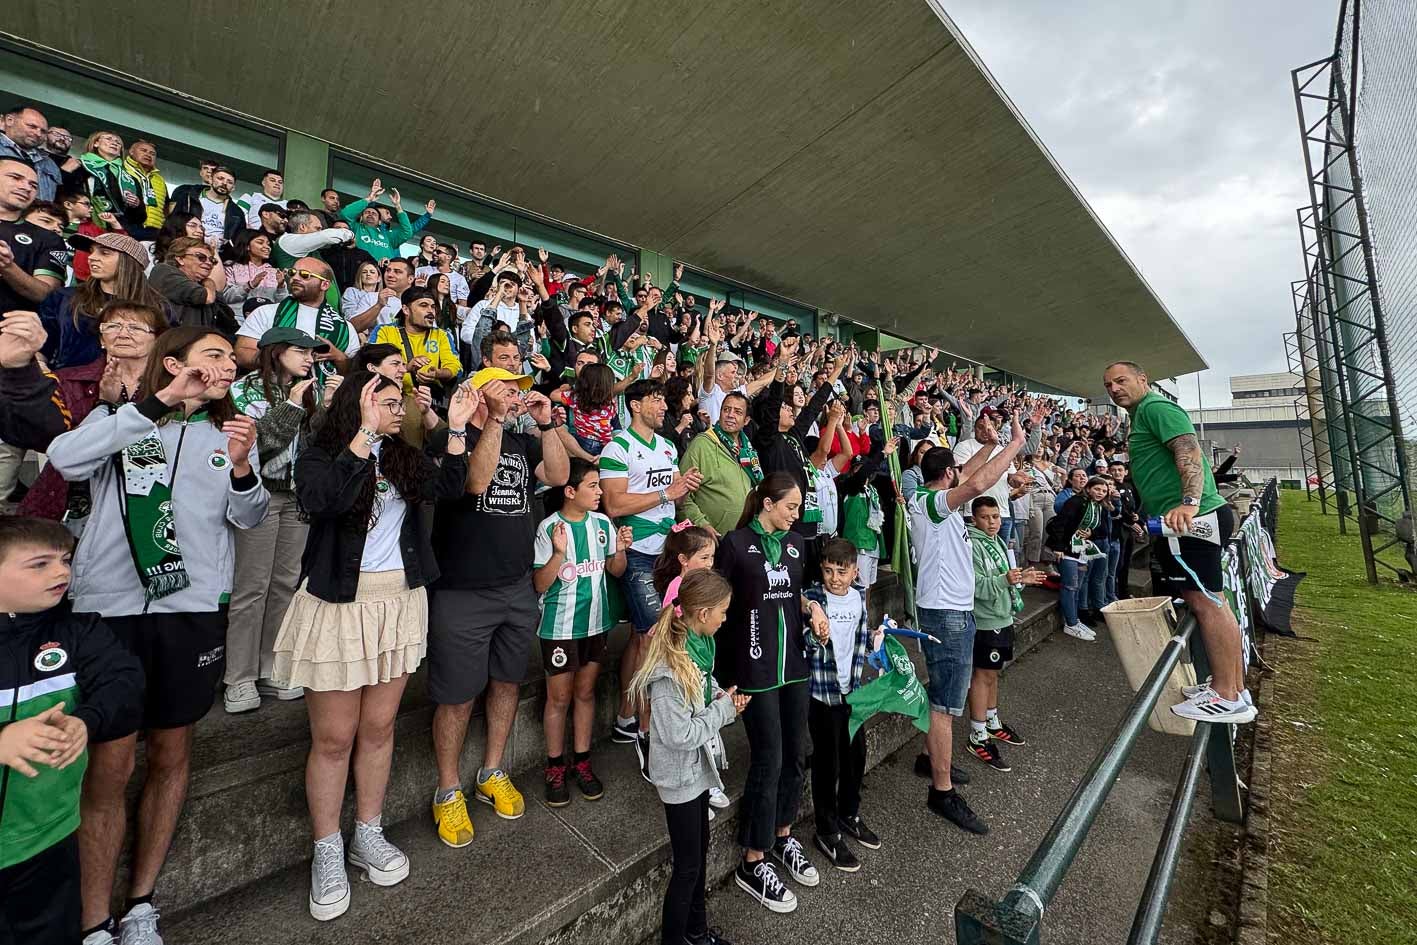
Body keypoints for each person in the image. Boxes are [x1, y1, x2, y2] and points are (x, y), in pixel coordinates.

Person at [46, 326, 268, 945]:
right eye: (214, 354)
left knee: (172, 755)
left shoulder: (224, 435)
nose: (228, 364)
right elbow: (65, 460)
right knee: (109, 767)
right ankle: (93, 922)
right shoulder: (126, 419)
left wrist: (246, 467)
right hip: (110, 612)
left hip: (191, 611)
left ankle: (141, 901)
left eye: (230, 356)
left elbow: (246, 517)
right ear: (173, 362)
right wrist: (158, 402)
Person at [270, 373, 474, 920]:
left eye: (393, 404)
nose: (392, 410)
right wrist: (362, 434)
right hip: (340, 602)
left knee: (379, 727)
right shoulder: (325, 453)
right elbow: (319, 500)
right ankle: (327, 849)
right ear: (356, 405)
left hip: (399, 601)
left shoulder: (403, 456)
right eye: (382, 402)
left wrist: (455, 429)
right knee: (334, 738)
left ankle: (367, 831)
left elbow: (451, 488)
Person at [426, 367, 567, 844]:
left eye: (519, 388)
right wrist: (492, 422)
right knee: (458, 696)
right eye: (505, 387)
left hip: (516, 587)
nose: (515, 395)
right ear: (478, 394)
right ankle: (448, 791)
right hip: (462, 590)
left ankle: (491, 771)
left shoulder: (524, 442)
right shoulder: (452, 437)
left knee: (507, 684)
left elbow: (560, 474)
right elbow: (477, 483)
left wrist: (547, 425)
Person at [0, 516, 144, 945]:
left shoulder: (79, 631)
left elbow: (125, 681)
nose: (62, 572)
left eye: (65, 560)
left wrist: (87, 720)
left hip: (49, 840)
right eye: (40, 564)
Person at [1102, 361, 1255, 723]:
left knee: (1207, 604)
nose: (1114, 388)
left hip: (1192, 519)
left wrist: (1188, 503)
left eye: (1121, 380)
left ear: (1143, 379)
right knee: (1211, 601)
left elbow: (1187, 450)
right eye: (1108, 385)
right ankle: (1233, 687)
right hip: (1184, 519)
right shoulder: (1139, 416)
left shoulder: (1156, 407)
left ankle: (1225, 695)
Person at [907, 408, 1032, 835]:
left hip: (949, 610)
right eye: (955, 471)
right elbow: (977, 482)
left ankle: (929, 759)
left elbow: (972, 470)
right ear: (946, 476)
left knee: (940, 695)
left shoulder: (934, 498)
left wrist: (995, 442)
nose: (962, 474)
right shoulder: (930, 503)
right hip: (946, 614)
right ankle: (941, 792)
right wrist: (1017, 445)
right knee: (945, 704)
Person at [714, 473, 831, 913]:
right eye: (790, 507)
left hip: (794, 666)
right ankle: (753, 859)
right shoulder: (735, 543)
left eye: (799, 508)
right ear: (767, 503)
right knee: (770, 757)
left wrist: (813, 608)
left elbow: (796, 594)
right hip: (754, 667)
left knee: (797, 753)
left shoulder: (798, 543)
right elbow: (717, 600)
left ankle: (783, 836)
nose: (796, 515)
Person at [628, 568, 745, 945]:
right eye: (724, 612)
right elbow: (681, 735)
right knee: (687, 868)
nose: (726, 618)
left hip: (694, 774)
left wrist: (721, 697)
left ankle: (696, 932)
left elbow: (702, 686)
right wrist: (724, 712)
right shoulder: (667, 671)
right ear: (703, 613)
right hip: (679, 777)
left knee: (698, 857)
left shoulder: (692, 651)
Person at [599, 379, 703, 780]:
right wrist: (667, 493)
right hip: (637, 552)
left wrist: (681, 495)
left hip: (667, 552)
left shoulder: (667, 446)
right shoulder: (617, 447)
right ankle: (647, 730)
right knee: (651, 636)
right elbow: (614, 502)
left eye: (664, 398)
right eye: (656, 399)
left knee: (644, 638)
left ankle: (626, 717)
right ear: (635, 404)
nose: (664, 405)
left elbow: (672, 496)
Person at [222, 328, 326, 713]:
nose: (309, 358)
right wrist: (294, 408)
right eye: (301, 351)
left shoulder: (308, 389)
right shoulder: (245, 390)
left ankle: (271, 666)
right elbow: (257, 443)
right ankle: (239, 677)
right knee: (252, 586)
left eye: (312, 352)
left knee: (285, 583)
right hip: (259, 494)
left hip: (297, 497)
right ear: (275, 352)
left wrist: (323, 409)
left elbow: (315, 445)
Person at [532, 459, 632, 806]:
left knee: (585, 693)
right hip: (559, 627)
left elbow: (615, 571)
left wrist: (620, 549)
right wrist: (559, 554)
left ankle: (582, 761)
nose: (600, 492)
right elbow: (540, 583)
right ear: (570, 491)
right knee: (558, 697)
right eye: (593, 486)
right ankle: (555, 765)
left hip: (596, 624)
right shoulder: (549, 528)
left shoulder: (602, 523)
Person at [18, 302, 165, 522]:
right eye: (113, 326)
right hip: (71, 497)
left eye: (135, 328)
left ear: (158, 340)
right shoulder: (69, 380)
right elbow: (53, 440)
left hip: (144, 498)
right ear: (101, 339)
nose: (123, 333)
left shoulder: (168, 389)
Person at [801, 538, 885, 872]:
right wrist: (815, 636)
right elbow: (805, 643)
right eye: (828, 571)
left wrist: (878, 638)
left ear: (854, 570)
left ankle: (849, 813)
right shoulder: (815, 599)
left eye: (841, 571)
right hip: (823, 694)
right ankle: (826, 829)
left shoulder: (858, 599)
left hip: (853, 693)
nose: (834, 578)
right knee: (827, 762)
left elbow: (862, 642)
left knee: (855, 756)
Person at [651, 522, 732, 815]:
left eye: (712, 558)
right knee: (692, 727)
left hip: (701, 665)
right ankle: (694, 789)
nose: (710, 564)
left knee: (705, 729)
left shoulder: (705, 588)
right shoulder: (678, 588)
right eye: (704, 558)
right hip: (686, 664)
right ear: (683, 560)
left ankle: (705, 784)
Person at [965, 496, 1045, 771]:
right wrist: (1006, 580)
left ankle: (991, 720)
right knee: (983, 674)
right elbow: (975, 585)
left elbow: (1005, 576)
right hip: (986, 619)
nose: (992, 522)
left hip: (1003, 614)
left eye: (996, 517)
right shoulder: (972, 545)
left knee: (993, 672)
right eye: (986, 517)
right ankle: (977, 735)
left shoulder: (997, 542)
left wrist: (1021, 578)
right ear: (974, 518)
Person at [38, 232, 166, 371]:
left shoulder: (157, 305)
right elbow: (42, 346)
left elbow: (166, 350)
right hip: (70, 385)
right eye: (92, 252)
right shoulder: (64, 298)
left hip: (135, 386)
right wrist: (41, 366)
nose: (91, 258)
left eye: (104, 253)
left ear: (129, 262)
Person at [236, 257, 357, 376]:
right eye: (292, 273)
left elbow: (355, 373)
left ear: (324, 285)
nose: (295, 278)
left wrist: (340, 358)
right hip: (273, 392)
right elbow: (242, 354)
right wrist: (280, 360)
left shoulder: (345, 327)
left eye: (305, 275)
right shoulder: (265, 312)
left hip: (324, 394)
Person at [680, 391, 760, 538]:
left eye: (737, 412)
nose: (730, 415)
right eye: (726, 409)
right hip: (711, 541)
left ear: (746, 420)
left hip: (743, 540)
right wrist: (701, 524)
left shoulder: (748, 450)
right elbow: (681, 495)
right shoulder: (702, 444)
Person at [1046, 475, 1112, 640]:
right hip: (1067, 549)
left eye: (1104, 491)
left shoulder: (1099, 507)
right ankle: (1071, 623)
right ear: (1088, 488)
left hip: (1083, 551)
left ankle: (1074, 619)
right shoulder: (1075, 502)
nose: (1100, 493)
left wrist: (1091, 533)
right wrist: (1058, 547)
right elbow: (1059, 524)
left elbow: (1104, 530)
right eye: (1097, 489)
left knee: (1077, 587)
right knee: (1069, 586)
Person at [0, 157, 66, 314]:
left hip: (10, 332)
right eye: (16, 178)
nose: (26, 187)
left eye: (33, 185)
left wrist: (7, 266)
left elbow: (47, 294)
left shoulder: (49, 238)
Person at [371, 287, 461, 397]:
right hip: (391, 395)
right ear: (406, 310)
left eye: (433, 307)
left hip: (429, 399)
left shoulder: (441, 335)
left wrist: (438, 373)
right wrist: (406, 368)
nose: (430, 311)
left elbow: (455, 367)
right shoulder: (384, 332)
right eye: (423, 305)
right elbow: (374, 366)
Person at [149, 235, 236, 332]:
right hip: (171, 341)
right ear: (180, 259)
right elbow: (207, 297)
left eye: (212, 260)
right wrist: (210, 282)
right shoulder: (163, 271)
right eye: (201, 257)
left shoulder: (203, 285)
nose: (209, 263)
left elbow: (229, 321)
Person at [66, 131, 145, 232]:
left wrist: (137, 205)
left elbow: (140, 218)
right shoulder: (79, 166)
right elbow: (65, 193)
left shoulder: (130, 179)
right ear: (95, 143)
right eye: (109, 139)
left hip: (119, 229)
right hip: (85, 226)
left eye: (118, 143)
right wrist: (65, 172)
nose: (114, 143)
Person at [168, 164, 244, 245]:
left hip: (217, 254)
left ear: (233, 188)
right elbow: (173, 223)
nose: (224, 183)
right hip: (185, 247)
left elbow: (238, 241)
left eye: (230, 182)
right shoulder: (188, 198)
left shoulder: (237, 213)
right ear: (210, 179)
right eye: (220, 178)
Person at [340, 179, 414, 261]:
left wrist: (398, 206)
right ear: (361, 218)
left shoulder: (388, 236)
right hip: (361, 270)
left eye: (374, 213)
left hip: (383, 271)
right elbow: (345, 214)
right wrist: (369, 199)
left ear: (380, 221)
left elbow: (407, 232)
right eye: (367, 212)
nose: (370, 214)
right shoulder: (355, 228)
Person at [1, 104, 63, 201]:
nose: (38, 134)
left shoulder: (50, 164)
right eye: (32, 126)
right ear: (9, 120)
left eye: (43, 131)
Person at [555, 360, 618, 455]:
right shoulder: (611, 404)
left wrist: (569, 388)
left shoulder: (575, 397)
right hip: (604, 444)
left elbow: (553, 395)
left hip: (581, 441)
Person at [222, 228, 286, 308]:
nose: (267, 247)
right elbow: (225, 297)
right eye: (260, 242)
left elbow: (282, 304)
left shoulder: (275, 272)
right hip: (238, 318)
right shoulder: (231, 267)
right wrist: (250, 285)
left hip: (266, 318)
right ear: (247, 246)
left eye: (268, 244)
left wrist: (281, 287)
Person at [121, 140, 166, 238]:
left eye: (152, 154)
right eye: (143, 150)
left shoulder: (160, 179)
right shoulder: (121, 169)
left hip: (155, 230)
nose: (148, 155)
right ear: (131, 151)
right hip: (127, 225)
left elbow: (165, 207)